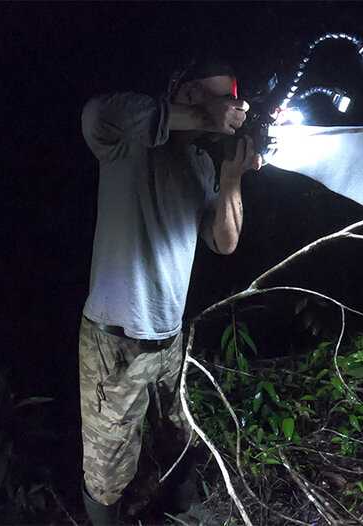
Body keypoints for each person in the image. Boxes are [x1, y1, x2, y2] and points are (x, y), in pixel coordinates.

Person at [78, 58, 261, 525]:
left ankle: (183, 512)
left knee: (178, 435)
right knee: (107, 468)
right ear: (189, 94)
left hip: (170, 336)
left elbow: (224, 241)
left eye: (233, 103)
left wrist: (232, 178)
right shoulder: (126, 142)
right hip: (114, 340)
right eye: (223, 100)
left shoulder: (201, 162)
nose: (232, 111)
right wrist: (207, 118)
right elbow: (97, 113)